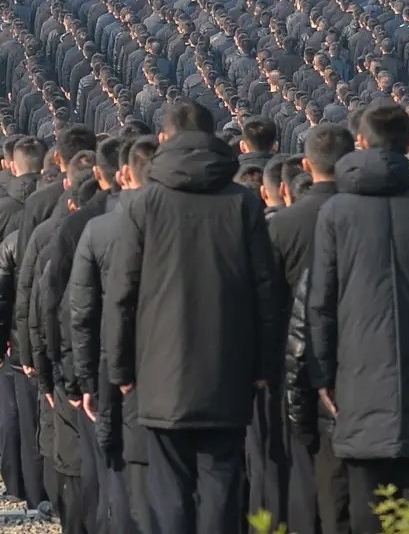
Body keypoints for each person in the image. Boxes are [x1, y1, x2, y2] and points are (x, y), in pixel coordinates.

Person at [98, 100, 285, 534]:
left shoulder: (143, 204)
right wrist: (264, 366)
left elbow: (122, 292)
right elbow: (266, 291)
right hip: (228, 365)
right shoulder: (244, 203)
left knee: (169, 489)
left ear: (164, 139)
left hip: (160, 368)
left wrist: (119, 366)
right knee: (222, 482)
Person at [300, 103, 409, 534]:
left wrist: (323, 376)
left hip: (356, 373)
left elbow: (320, 303)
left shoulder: (336, 212)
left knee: (366, 504)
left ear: (361, 142)